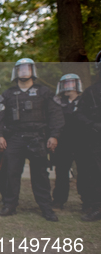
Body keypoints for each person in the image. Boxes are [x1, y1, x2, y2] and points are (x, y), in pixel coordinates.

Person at [0, 58, 64, 221]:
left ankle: (46, 208)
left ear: (33, 71)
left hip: (38, 138)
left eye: (27, 68)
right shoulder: (8, 94)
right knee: (11, 173)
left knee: (40, 174)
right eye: (21, 69)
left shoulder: (44, 92)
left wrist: (54, 135)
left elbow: (56, 114)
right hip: (15, 138)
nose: (24, 71)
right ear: (16, 72)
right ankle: (10, 205)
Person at [73, 50, 101, 221]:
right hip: (96, 140)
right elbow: (79, 115)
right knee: (95, 174)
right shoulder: (91, 92)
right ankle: (97, 207)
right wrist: (93, 125)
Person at [50, 74, 83, 210]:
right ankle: (59, 200)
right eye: (66, 84)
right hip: (63, 142)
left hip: (82, 142)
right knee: (61, 173)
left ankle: (87, 201)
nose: (68, 87)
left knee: (84, 172)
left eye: (71, 84)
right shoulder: (58, 102)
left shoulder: (84, 100)